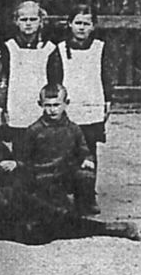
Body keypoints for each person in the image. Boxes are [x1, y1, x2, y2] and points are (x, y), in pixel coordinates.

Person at [0, 156, 140, 244]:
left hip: (17, 204)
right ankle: (109, 229)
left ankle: (109, 228)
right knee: (43, 232)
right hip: (10, 220)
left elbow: (1, 205)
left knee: (59, 220)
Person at [47, 5, 113, 214]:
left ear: (93, 26)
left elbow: (106, 76)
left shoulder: (100, 48)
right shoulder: (60, 49)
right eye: (78, 23)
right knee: (66, 149)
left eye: (86, 23)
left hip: (92, 105)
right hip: (70, 107)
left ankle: (87, 196)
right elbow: (54, 79)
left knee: (89, 150)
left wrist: (108, 100)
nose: (82, 27)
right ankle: (65, 194)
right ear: (70, 24)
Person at [15, 83, 97, 214]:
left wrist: (87, 159)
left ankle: (84, 206)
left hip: (66, 173)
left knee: (85, 175)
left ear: (66, 103)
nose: (52, 110)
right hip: (43, 176)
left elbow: (84, 150)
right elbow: (25, 157)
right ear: (40, 104)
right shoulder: (34, 130)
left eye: (56, 105)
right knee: (55, 210)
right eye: (48, 105)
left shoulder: (73, 129)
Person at [0, 0, 55, 149]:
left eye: (33, 19)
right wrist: (1, 108)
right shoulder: (9, 47)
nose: (28, 23)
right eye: (23, 19)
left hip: (40, 107)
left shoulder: (49, 48)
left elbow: (55, 80)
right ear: (16, 22)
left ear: (41, 22)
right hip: (17, 106)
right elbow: (2, 79)